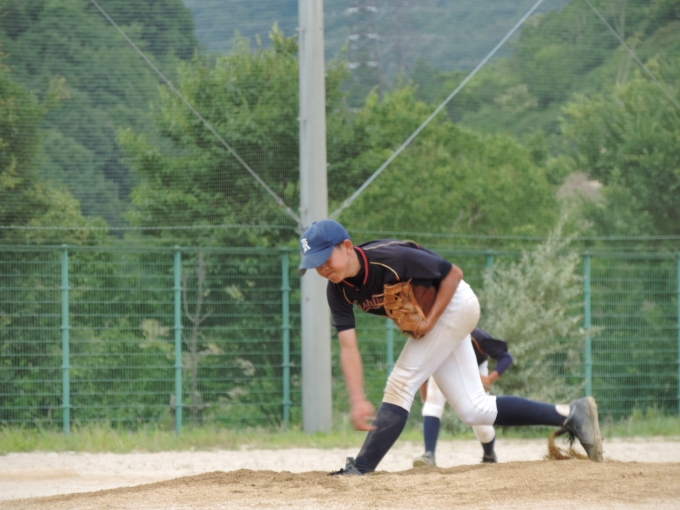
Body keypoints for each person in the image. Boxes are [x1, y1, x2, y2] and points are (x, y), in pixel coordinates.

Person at [297, 220, 603, 476]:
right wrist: (356, 399)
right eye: (315, 265)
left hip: (456, 303)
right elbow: (348, 347)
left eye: (325, 258)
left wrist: (430, 320)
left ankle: (362, 468)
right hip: (442, 317)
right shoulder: (337, 291)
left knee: (401, 382)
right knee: (473, 408)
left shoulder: (390, 256)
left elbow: (453, 273)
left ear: (347, 246)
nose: (322, 268)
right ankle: (571, 413)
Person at [413, 327, 513, 467]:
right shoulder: (435, 334)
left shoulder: (476, 336)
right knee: (433, 403)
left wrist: (489, 379)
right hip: (443, 365)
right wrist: (425, 394)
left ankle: (489, 454)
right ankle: (429, 455)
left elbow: (506, 358)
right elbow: (423, 365)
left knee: (481, 420)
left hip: (475, 369)